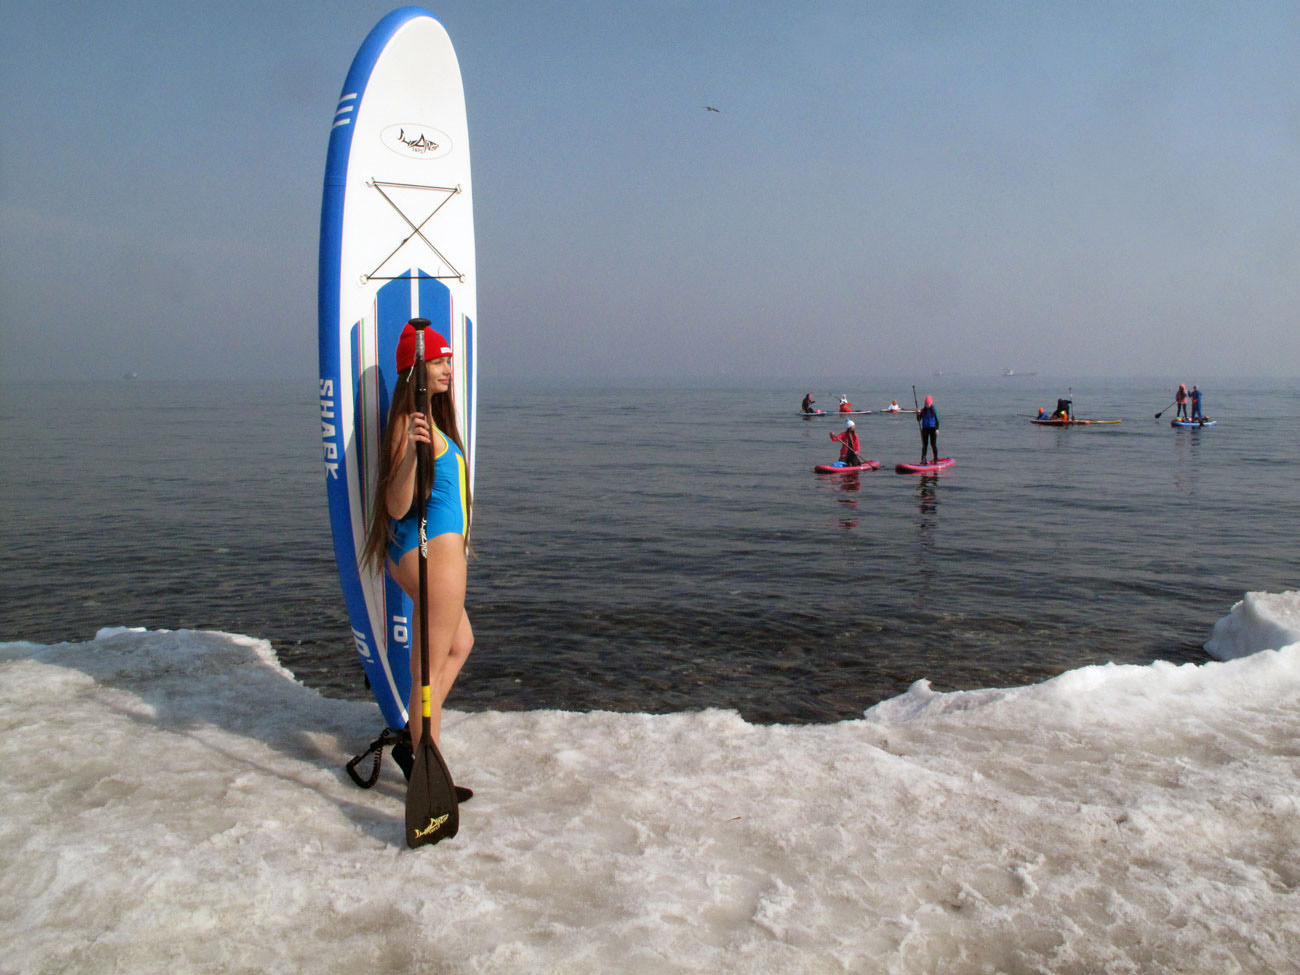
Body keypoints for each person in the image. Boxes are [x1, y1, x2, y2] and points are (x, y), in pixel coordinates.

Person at [361, 322, 474, 764]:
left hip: (432, 553)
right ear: (415, 370)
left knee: (460, 643)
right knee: (425, 671)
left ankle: (413, 739)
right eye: (438, 361)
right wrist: (409, 454)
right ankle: (427, 762)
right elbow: (394, 503)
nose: (448, 369)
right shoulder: (410, 425)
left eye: (448, 360)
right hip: (433, 556)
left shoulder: (433, 423)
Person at [917, 394, 939, 463]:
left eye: (928, 404)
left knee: (933, 444)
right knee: (925, 445)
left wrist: (937, 429)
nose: (927, 405)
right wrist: (918, 414)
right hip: (925, 429)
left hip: (933, 429)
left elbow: (937, 420)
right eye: (926, 404)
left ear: (931, 403)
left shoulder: (934, 410)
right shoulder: (923, 411)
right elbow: (918, 420)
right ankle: (923, 459)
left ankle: (935, 459)